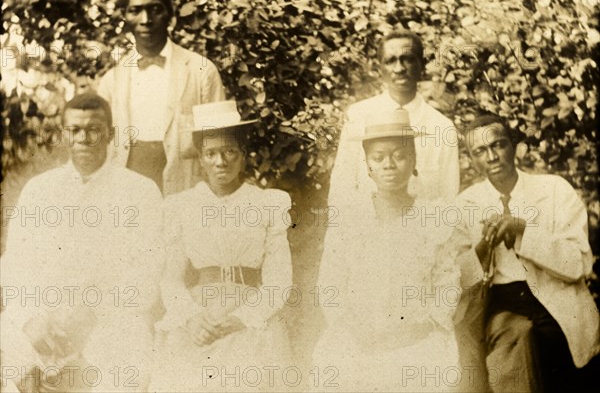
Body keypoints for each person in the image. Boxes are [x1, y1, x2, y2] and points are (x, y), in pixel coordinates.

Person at [0, 93, 164, 392]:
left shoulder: (140, 192)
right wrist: (30, 321)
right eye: (75, 130)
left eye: (94, 130)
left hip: (111, 322)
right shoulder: (39, 191)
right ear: (64, 134)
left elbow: (147, 272)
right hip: (43, 319)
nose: (84, 138)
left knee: (124, 365)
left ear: (110, 134)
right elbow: (14, 265)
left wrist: (91, 316)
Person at [313, 108, 462, 392]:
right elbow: (330, 286)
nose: (389, 165)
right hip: (358, 341)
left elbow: (447, 285)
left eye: (399, 155)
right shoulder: (348, 220)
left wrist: (418, 328)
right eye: (378, 158)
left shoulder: (434, 218)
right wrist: (357, 329)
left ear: (414, 160)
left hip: (419, 341)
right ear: (367, 166)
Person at [150, 100, 293, 392]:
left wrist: (243, 319)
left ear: (243, 155)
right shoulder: (181, 206)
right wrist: (190, 319)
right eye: (211, 153)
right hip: (199, 316)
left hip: (251, 315)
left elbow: (278, 281)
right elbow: (171, 278)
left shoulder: (267, 204)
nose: (220, 161)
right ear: (200, 158)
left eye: (229, 151)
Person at [455, 113, 600, 392]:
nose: (492, 157)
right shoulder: (465, 204)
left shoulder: (553, 189)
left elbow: (579, 264)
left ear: (514, 146)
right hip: (500, 302)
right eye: (480, 151)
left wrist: (523, 232)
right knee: (513, 343)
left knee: (560, 350)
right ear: (472, 159)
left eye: (498, 145)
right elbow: (458, 280)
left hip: (556, 296)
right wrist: (484, 246)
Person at [97, 0, 226, 195]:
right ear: (126, 17)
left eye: (155, 9)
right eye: (135, 10)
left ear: (170, 16)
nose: (145, 19)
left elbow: (221, 142)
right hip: (127, 189)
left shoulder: (200, 70)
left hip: (185, 187)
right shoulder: (112, 80)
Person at [328, 29, 459, 208]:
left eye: (408, 59)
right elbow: (341, 188)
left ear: (422, 64)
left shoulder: (441, 127)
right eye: (390, 61)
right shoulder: (358, 115)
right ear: (379, 67)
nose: (399, 69)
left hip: (423, 231)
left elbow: (448, 197)